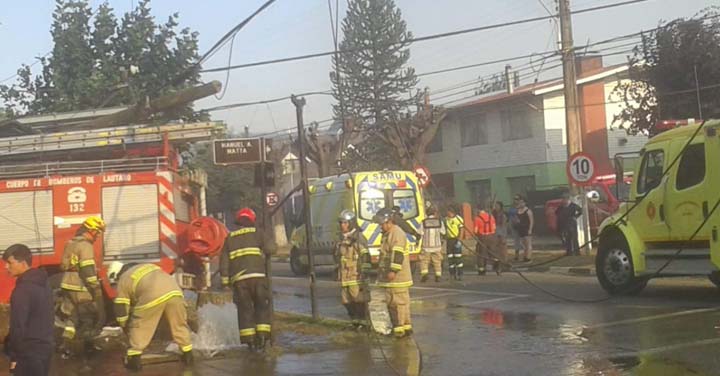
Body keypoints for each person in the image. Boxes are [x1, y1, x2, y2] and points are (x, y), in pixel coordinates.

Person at [109, 262, 193, 371]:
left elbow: (121, 306)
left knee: (140, 325)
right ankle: (188, 355)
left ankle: (134, 360)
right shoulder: (147, 267)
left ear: (117, 274)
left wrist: (124, 324)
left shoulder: (123, 278)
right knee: (179, 325)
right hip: (175, 292)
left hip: (152, 294)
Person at [219, 208, 272, 351]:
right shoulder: (258, 233)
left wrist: (225, 283)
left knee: (245, 310)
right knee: (261, 306)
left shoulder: (230, 238)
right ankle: (262, 337)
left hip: (240, 281)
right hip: (258, 278)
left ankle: (250, 342)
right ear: (251, 220)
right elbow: (271, 249)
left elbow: (224, 262)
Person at [57, 216, 107, 357]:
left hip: (66, 284)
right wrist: (95, 287)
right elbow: (87, 270)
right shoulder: (85, 246)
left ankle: (64, 345)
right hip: (80, 287)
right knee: (88, 317)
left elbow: (63, 265)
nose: (98, 236)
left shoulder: (70, 243)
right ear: (90, 230)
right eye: (97, 232)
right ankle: (88, 349)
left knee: (71, 318)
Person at [3, 244, 54, 376]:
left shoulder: (22, 290)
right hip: (45, 349)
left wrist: (14, 357)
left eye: (9, 263)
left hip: (27, 353)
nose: (6, 267)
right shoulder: (44, 284)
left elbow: (18, 326)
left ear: (23, 262)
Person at [373, 208, 413, 338]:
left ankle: (399, 329)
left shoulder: (396, 233)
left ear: (389, 222)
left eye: (382, 224)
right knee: (398, 302)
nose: (381, 226)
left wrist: (393, 270)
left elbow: (397, 253)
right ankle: (405, 327)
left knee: (397, 303)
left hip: (398, 277)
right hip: (393, 277)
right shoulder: (389, 233)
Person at [335, 210, 371, 329]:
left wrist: (365, 270)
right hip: (345, 276)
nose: (342, 225)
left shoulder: (358, 237)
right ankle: (355, 322)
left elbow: (365, 255)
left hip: (356, 275)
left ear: (351, 223)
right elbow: (338, 255)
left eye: (345, 223)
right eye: (340, 223)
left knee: (359, 300)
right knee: (346, 301)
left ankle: (364, 323)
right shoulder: (341, 238)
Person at [419, 207, 444, 283]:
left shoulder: (424, 222)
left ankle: (424, 275)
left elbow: (420, 233)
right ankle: (438, 276)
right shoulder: (439, 222)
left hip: (426, 246)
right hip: (437, 246)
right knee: (437, 261)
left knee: (424, 261)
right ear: (435, 213)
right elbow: (443, 232)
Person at [474, 202, 499, 276]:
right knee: (493, 253)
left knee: (481, 254)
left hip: (482, 237)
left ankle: (482, 270)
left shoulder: (477, 219)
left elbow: (475, 230)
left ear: (478, 209)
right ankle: (498, 268)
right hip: (492, 237)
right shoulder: (491, 217)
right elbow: (494, 228)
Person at [444, 206, 465, 280]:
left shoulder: (458, 219)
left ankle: (460, 274)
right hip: (449, 240)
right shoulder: (445, 219)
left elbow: (461, 230)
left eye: (448, 212)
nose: (447, 213)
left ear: (452, 212)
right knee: (450, 258)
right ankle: (452, 274)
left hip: (456, 240)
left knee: (458, 258)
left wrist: (460, 240)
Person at [516, 196, 534, 262]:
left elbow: (531, 221)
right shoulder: (518, 211)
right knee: (523, 244)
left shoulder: (528, 211)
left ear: (525, 203)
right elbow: (517, 219)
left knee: (528, 244)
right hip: (520, 229)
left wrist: (530, 229)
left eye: (522, 202)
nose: (520, 203)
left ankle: (528, 258)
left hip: (526, 229)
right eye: (520, 202)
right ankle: (525, 256)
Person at [492, 202, 509, 270]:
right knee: (495, 250)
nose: (496, 207)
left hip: (501, 234)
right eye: (495, 206)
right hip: (495, 233)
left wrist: (503, 236)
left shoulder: (503, 215)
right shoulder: (494, 214)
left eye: (497, 206)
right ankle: (496, 264)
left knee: (502, 250)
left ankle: (504, 264)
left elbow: (503, 226)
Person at [509, 195, 525, 261]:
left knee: (523, 241)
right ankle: (516, 256)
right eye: (514, 199)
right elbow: (511, 214)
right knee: (516, 241)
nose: (515, 200)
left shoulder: (522, 207)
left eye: (517, 199)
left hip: (521, 225)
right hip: (513, 225)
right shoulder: (512, 207)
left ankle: (525, 255)